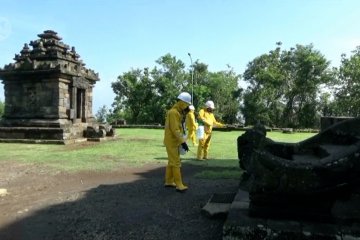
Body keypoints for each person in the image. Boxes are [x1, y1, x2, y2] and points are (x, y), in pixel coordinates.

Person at [163, 92, 191, 192]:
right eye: (187, 104)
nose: (187, 106)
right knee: (176, 163)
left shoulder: (176, 112)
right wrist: (183, 142)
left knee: (171, 162)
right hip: (172, 141)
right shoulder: (174, 113)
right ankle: (179, 184)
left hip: (173, 141)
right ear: (182, 102)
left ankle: (169, 181)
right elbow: (175, 130)